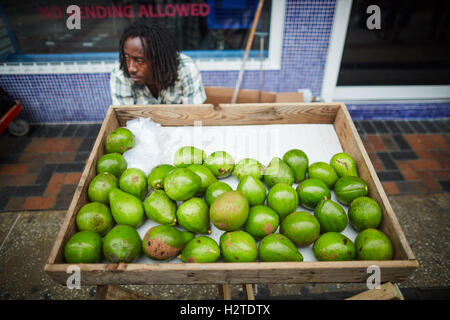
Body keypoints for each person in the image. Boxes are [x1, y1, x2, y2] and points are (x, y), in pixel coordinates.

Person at [110, 20, 206, 105]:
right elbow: (124, 122)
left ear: (158, 59)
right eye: (126, 57)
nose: (131, 68)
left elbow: (195, 118)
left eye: (139, 60)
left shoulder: (186, 69)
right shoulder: (120, 74)